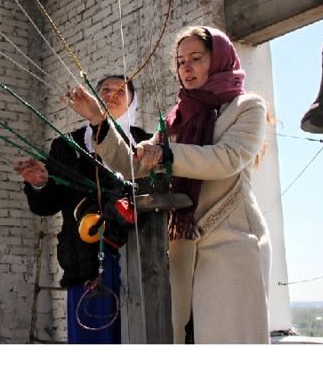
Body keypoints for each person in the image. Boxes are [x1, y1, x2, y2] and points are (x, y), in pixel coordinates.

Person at [67, 26, 271, 344]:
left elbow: (228, 158)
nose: (185, 68)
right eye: (180, 61)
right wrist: (99, 121)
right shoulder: (177, 119)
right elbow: (134, 164)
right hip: (183, 246)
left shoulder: (247, 108)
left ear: (218, 59)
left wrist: (166, 153)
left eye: (196, 59)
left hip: (232, 243)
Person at [14, 75, 152, 344]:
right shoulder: (67, 146)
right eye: (105, 90)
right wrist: (41, 184)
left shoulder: (144, 144)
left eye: (120, 92)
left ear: (132, 102)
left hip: (135, 256)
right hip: (84, 261)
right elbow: (47, 204)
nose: (111, 95)